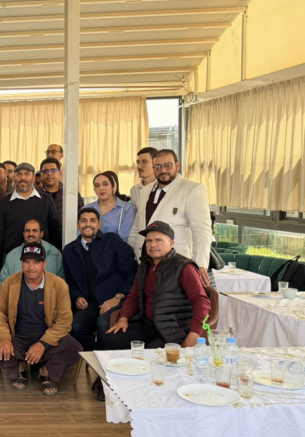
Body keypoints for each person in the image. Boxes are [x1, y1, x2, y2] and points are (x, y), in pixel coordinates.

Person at [0, 242, 80, 395]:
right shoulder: (9, 283)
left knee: (74, 349)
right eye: (26, 262)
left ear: (44, 263)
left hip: (48, 337)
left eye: (36, 262)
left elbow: (65, 321)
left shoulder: (59, 285)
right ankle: (21, 367)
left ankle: (46, 370)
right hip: (19, 337)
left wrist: (43, 344)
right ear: (22, 263)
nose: (31, 267)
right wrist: (4, 338)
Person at [105, 221, 211, 350]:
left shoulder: (184, 267)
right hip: (146, 324)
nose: (153, 244)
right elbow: (133, 296)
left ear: (171, 243)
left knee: (150, 353)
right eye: (149, 241)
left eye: (158, 240)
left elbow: (201, 301)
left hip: (173, 328)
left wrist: (194, 334)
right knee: (111, 338)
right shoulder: (145, 266)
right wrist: (123, 318)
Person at [128, 149, 213, 287]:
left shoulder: (192, 189)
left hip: (176, 264)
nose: (163, 170)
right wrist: (128, 252)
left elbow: (201, 231)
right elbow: (138, 225)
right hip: (145, 263)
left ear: (177, 165)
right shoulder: (145, 191)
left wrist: (201, 264)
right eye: (158, 166)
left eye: (168, 165)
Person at [63, 208, 137, 353]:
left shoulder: (113, 241)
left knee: (103, 322)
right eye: (83, 221)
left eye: (92, 220)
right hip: (89, 305)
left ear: (99, 224)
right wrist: (76, 297)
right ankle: (97, 356)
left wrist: (118, 297)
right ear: (78, 225)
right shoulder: (69, 250)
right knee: (76, 325)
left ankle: (108, 360)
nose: (88, 224)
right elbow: (69, 280)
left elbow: (132, 271)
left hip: (116, 300)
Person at [0, 163, 61, 279]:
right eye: (19, 174)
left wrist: (59, 255)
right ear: (14, 177)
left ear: (34, 177)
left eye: (27, 174)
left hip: (42, 258)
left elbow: (55, 229)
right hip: (12, 259)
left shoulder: (46, 200)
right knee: (11, 289)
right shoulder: (5, 202)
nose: (23, 178)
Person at [0, 219, 64, 284]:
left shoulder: (55, 254)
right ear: (23, 234)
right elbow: (3, 283)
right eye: (27, 231)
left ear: (41, 234)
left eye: (34, 231)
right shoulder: (12, 256)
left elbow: (62, 283)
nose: (31, 234)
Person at [84, 171, 135, 242]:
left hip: (116, 248)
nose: (101, 188)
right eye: (97, 185)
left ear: (113, 187)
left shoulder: (126, 208)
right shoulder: (86, 209)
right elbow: (81, 235)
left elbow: (124, 236)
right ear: (94, 190)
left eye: (105, 184)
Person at [39, 158, 83, 228]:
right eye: (45, 171)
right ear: (41, 175)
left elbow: (82, 216)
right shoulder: (36, 196)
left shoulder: (72, 194)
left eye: (53, 170)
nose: (49, 173)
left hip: (69, 233)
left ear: (59, 173)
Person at [130, 147, 158, 211]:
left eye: (144, 162)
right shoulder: (134, 190)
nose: (139, 167)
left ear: (155, 163)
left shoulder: (164, 187)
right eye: (138, 163)